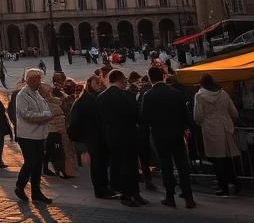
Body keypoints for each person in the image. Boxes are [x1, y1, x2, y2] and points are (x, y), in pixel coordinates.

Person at [141, 65, 195, 209]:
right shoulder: (176, 93)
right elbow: (185, 115)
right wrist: (185, 128)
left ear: (150, 79)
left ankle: (170, 197)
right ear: (163, 77)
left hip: (160, 137)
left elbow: (145, 119)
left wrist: (145, 138)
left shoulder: (148, 95)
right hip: (177, 134)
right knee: (183, 166)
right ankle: (189, 198)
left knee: (166, 167)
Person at [97, 69, 146, 208]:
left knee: (120, 165)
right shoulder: (127, 95)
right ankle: (131, 194)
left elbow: (101, 119)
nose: (125, 83)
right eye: (124, 81)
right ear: (119, 80)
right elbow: (136, 115)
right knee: (130, 166)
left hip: (112, 136)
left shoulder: (101, 97)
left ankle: (129, 193)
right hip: (128, 134)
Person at [68, 75, 116, 199]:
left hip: (99, 136)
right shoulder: (84, 100)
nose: (99, 85)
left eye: (100, 83)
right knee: (97, 164)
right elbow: (74, 121)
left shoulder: (94, 97)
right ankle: (100, 190)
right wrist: (80, 139)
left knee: (102, 163)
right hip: (92, 138)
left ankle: (105, 187)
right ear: (89, 83)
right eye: (96, 83)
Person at [193, 73, 241, 196]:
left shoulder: (200, 95)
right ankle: (236, 184)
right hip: (226, 127)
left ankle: (223, 187)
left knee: (217, 159)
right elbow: (234, 112)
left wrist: (201, 123)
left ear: (201, 83)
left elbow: (198, 116)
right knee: (228, 158)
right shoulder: (223, 93)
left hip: (211, 128)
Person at [13, 68, 53, 204]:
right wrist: (45, 116)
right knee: (31, 161)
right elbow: (26, 114)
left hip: (39, 134)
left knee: (38, 164)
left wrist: (45, 115)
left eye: (40, 79)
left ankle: (36, 192)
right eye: (37, 79)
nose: (39, 82)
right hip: (27, 135)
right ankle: (19, 186)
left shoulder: (37, 94)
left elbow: (47, 108)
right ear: (29, 80)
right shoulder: (22, 95)